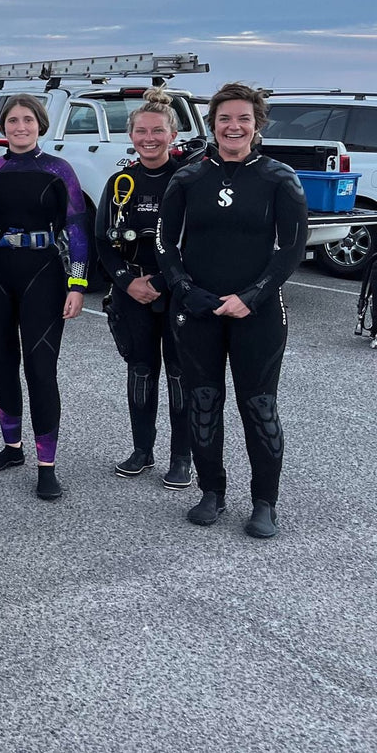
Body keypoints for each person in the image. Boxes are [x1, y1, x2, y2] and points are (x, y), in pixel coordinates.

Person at [157, 82, 307, 539]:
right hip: (198, 308)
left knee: (259, 405)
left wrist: (252, 296)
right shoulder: (188, 178)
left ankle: (265, 502)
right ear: (213, 125)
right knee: (203, 400)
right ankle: (212, 491)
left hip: (257, 311)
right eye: (224, 118)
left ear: (257, 124)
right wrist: (186, 290)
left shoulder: (279, 178)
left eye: (243, 118)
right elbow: (165, 243)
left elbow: (292, 248)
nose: (234, 126)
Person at [0, 94, 88, 501]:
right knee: (3, 364)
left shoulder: (58, 170)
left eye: (28, 120)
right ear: (4, 127)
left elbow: (77, 230)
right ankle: (12, 448)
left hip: (43, 274)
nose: (20, 127)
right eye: (12, 120)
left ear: (40, 124)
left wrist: (77, 285)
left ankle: (47, 465)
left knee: (41, 370)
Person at [95, 87, 190, 488]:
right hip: (132, 291)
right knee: (141, 370)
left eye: (157, 131)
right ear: (131, 135)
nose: (149, 139)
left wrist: (166, 282)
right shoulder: (121, 182)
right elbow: (102, 240)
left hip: (179, 291)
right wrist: (127, 282)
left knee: (180, 375)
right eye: (141, 131)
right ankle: (142, 450)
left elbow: (200, 242)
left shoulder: (188, 180)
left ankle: (182, 458)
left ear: (173, 135)